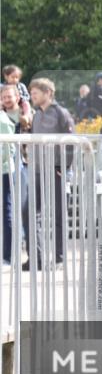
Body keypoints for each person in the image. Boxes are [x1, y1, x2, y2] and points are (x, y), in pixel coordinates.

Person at [25, 78, 75, 269]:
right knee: (28, 212)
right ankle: (35, 258)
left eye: (35, 93)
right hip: (38, 172)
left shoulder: (61, 113)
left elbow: (72, 141)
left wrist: (64, 167)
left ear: (48, 93)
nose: (32, 97)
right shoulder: (36, 115)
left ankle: (60, 258)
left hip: (57, 172)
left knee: (59, 215)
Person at [1, 106, 15, 266]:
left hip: (4, 172)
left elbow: (9, 148)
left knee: (6, 212)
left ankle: (8, 255)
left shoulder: (2, 120)